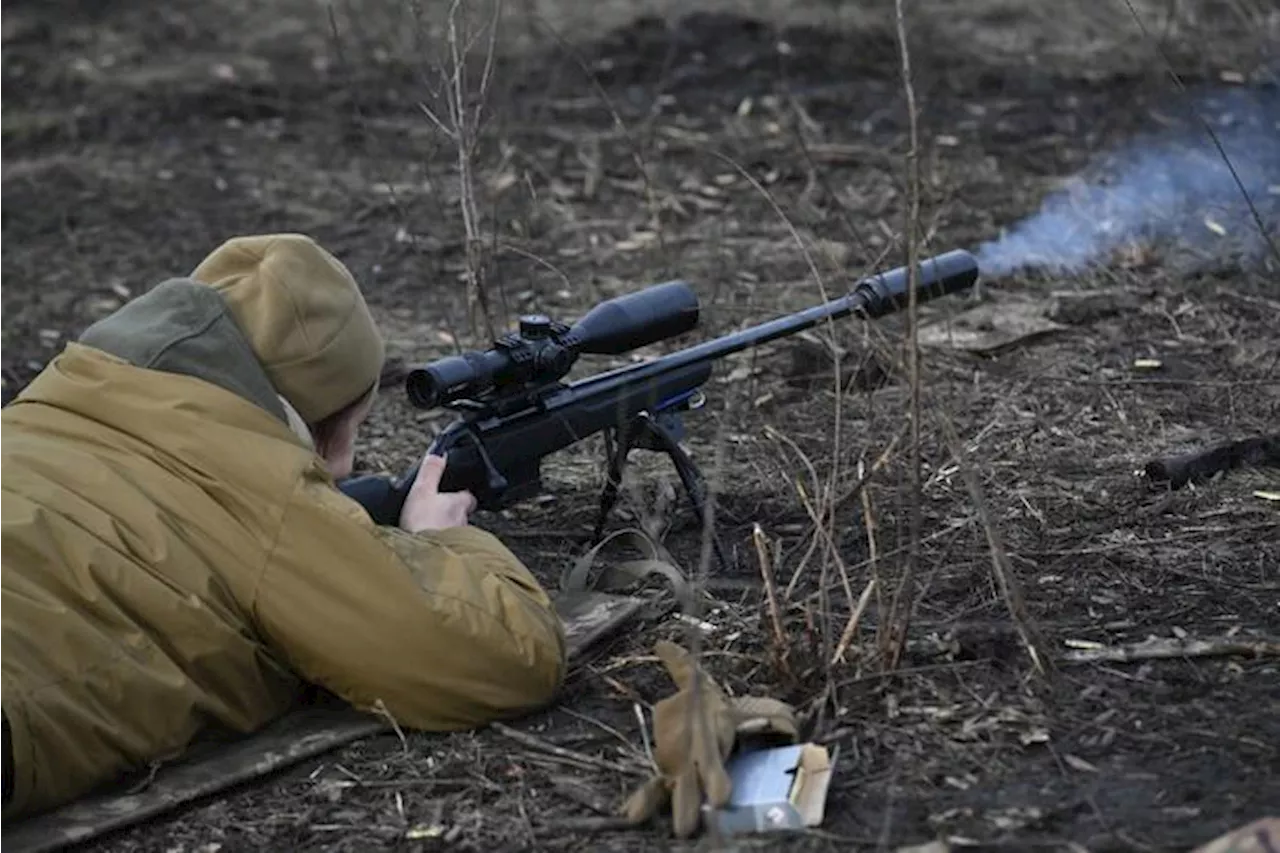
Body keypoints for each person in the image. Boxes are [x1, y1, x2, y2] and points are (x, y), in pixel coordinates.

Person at [0, 234, 568, 823]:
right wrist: (439, 537)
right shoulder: (259, 492)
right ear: (325, 420)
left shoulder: (39, 412)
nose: (344, 468)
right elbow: (506, 658)